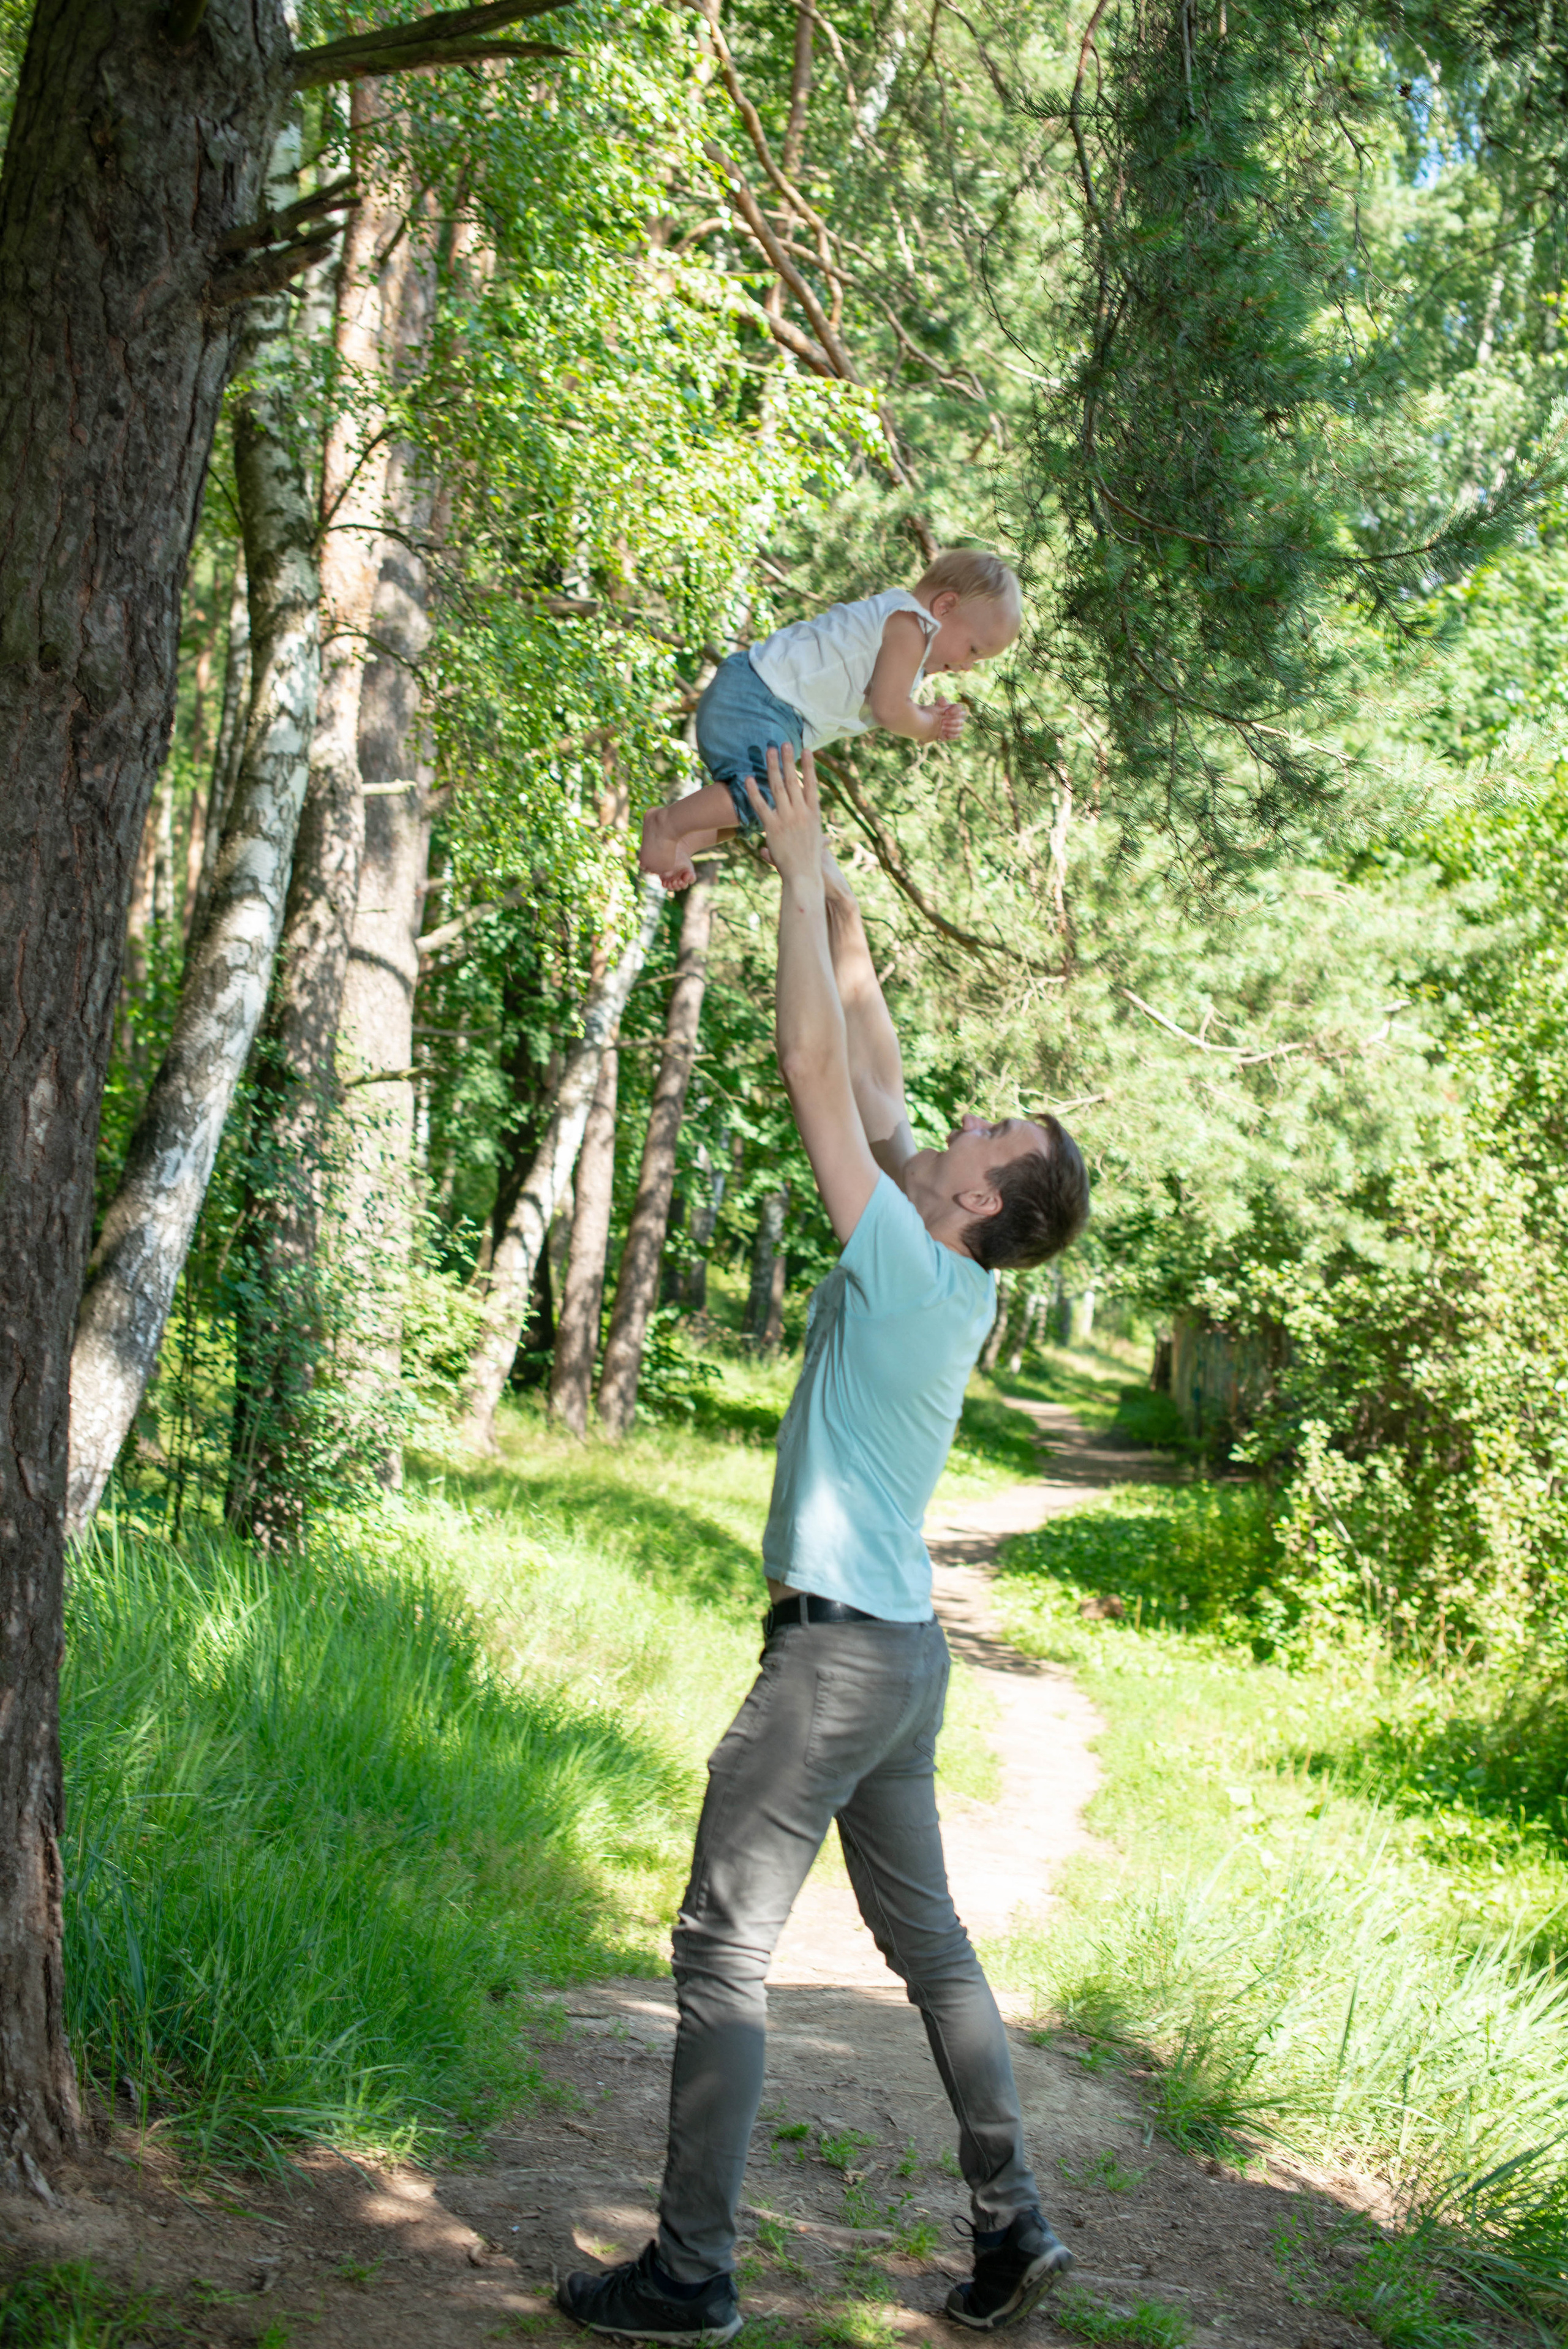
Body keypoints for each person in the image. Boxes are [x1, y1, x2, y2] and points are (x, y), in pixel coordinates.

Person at [559, 744, 1090, 2347]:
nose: (967, 1113)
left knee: (723, 1946)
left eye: (988, 1131)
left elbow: (809, 1063)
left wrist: (795, 882)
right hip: (904, 1660)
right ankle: (1013, 2225)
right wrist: (820, 859)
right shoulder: (955, 1262)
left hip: (839, 1657)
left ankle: (693, 2271)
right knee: (930, 1948)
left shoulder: (904, 1253)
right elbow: (860, 1028)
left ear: (969, 1203)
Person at [639, 549, 1022, 892]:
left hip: (766, 709)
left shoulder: (904, 633)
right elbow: (889, 710)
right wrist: (929, 726)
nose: (968, 666)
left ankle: (685, 840)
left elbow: (892, 702)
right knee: (771, 797)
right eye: (973, 649)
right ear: (944, 607)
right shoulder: (909, 626)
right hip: (756, 698)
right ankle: (667, 825)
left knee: (777, 809)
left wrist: (925, 715)